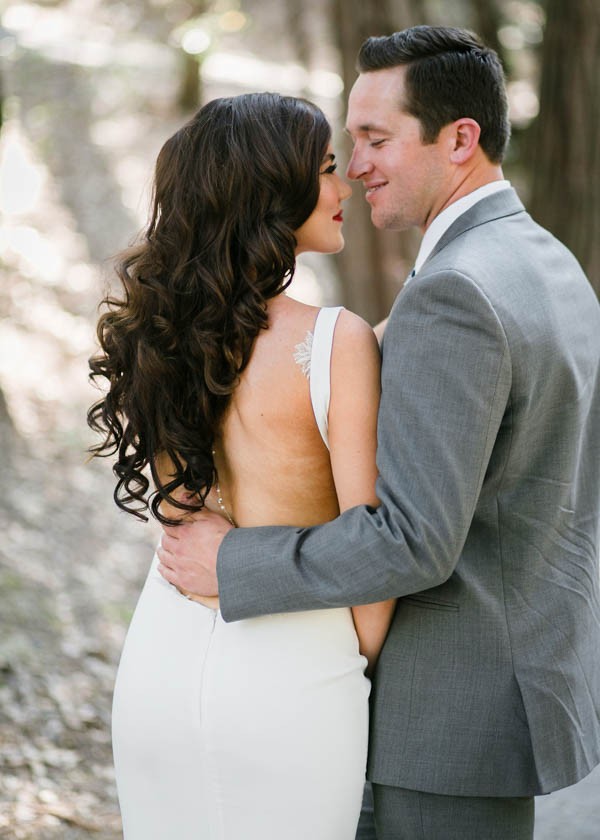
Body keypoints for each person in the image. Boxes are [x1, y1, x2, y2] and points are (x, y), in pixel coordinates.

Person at [157, 26, 600, 840]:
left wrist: (233, 559)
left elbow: (413, 542)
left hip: (442, 721)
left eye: (374, 138)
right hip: (515, 686)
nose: (355, 166)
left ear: (459, 138)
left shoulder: (457, 291)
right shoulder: (545, 261)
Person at [88, 91, 397, 839]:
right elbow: (371, 549)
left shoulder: (158, 334)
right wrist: (344, 655)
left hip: (161, 658)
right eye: (326, 168)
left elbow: (181, 517)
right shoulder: (336, 342)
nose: (345, 184)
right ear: (272, 191)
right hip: (295, 672)